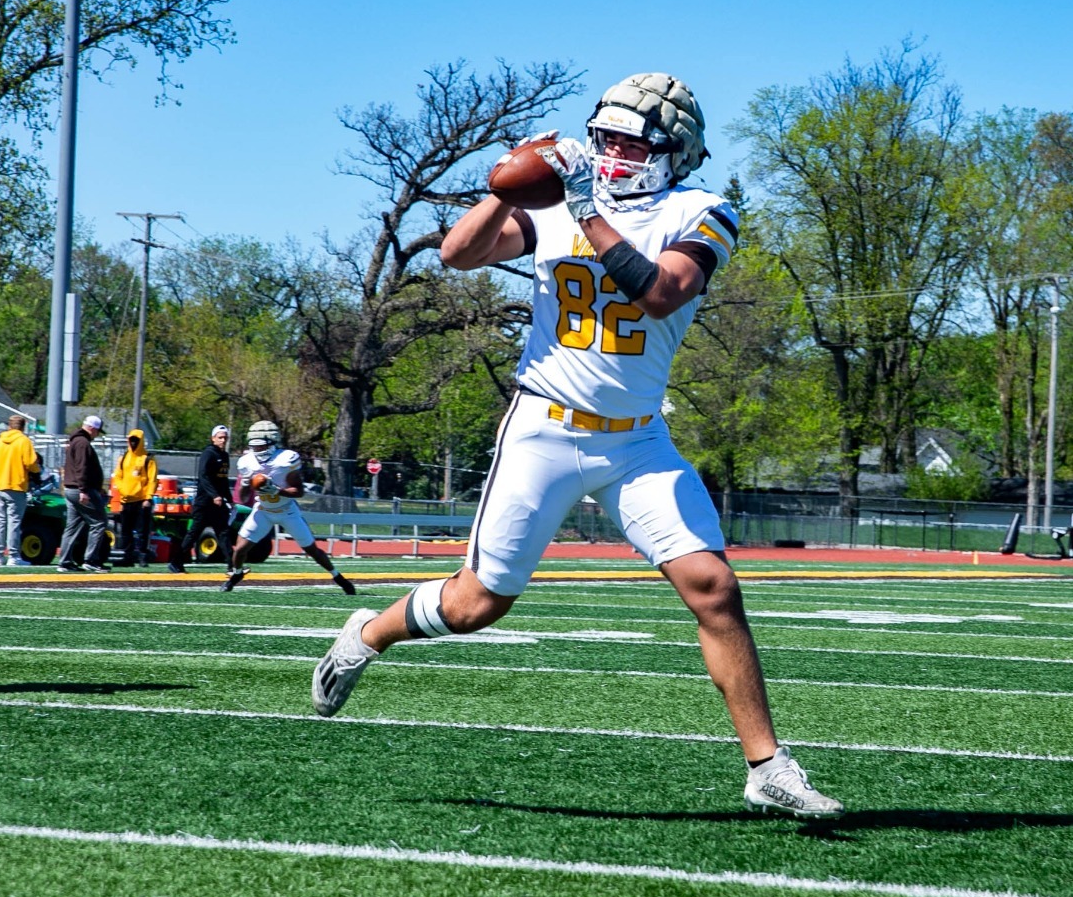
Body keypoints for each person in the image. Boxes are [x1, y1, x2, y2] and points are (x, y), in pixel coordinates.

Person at [307, 74, 841, 819]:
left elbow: (659, 291)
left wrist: (583, 207)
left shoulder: (702, 210)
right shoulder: (557, 208)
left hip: (638, 441)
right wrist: (508, 184)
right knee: (475, 605)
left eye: (632, 141)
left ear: (674, 153)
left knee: (715, 588)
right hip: (545, 428)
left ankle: (767, 767)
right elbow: (457, 255)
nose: (614, 153)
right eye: (607, 137)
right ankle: (368, 633)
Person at [221, 420, 355, 594]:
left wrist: (277, 490)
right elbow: (243, 497)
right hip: (263, 510)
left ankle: (338, 577)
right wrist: (247, 484)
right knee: (239, 549)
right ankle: (237, 575)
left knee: (311, 550)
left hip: (287, 511)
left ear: (272, 443)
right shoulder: (247, 462)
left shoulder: (285, 460)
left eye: (261, 447)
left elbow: (299, 491)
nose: (257, 451)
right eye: (254, 447)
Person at [171, 424, 232, 573]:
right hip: (205, 502)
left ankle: (232, 565)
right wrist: (214, 495)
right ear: (213, 438)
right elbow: (203, 477)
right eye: (220, 437)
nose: (223, 440)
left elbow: (223, 480)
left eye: (225, 438)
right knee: (194, 533)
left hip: (217, 504)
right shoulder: (208, 453)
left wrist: (229, 498)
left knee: (223, 533)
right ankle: (175, 562)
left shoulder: (225, 456)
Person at [57, 415, 111, 573]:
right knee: (99, 522)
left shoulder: (75, 441)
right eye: (97, 432)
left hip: (71, 489)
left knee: (72, 527)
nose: (97, 435)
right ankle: (91, 560)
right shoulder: (83, 443)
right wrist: (84, 490)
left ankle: (64, 562)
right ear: (92, 429)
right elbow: (82, 468)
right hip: (80, 490)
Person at [0, 414, 39, 566]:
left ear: (9, 426)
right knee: (14, 522)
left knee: (0, 521)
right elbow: (31, 463)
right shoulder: (24, 441)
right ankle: (13, 555)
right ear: (23, 427)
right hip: (16, 485)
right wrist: (37, 471)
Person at [111, 428, 158, 567]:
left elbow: (152, 480)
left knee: (143, 531)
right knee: (126, 531)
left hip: (142, 500)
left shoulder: (148, 459)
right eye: (131, 440)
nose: (133, 443)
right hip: (126, 500)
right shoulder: (124, 457)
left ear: (141, 441)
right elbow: (118, 476)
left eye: (136, 440)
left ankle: (143, 556)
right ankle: (127, 556)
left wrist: (148, 498)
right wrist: (123, 490)